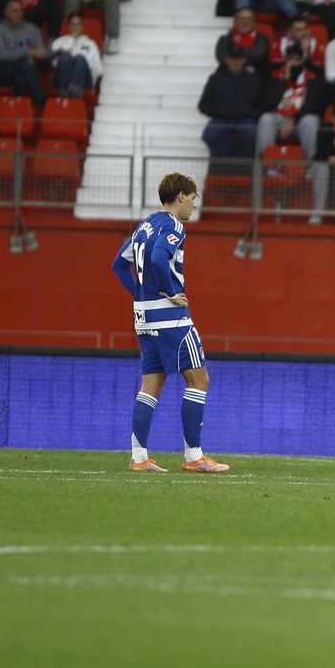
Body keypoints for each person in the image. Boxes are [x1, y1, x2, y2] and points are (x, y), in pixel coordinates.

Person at [108, 172, 229, 474]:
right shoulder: (173, 225)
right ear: (181, 197)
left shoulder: (145, 225)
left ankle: (138, 458)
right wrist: (174, 292)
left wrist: (142, 293)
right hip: (169, 318)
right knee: (199, 380)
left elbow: (119, 265)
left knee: (151, 384)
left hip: (143, 317)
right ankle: (194, 457)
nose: (193, 205)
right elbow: (161, 258)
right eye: (192, 198)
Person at [199, 49, 262, 159]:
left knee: (256, 137)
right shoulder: (216, 78)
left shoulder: (254, 79)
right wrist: (218, 113)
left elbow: (262, 102)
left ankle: (247, 165)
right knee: (207, 136)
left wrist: (252, 113)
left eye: (239, 59)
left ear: (244, 60)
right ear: (227, 60)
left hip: (245, 119)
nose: (236, 62)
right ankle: (226, 154)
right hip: (221, 119)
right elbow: (203, 105)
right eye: (233, 59)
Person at [48, 11, 102, 97]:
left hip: (84, 79)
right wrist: (71, 39)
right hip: (62, 79)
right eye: (73, 24)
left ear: (82, 25)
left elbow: (99, 70)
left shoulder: (90, 43)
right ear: (68, 25)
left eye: (78, 24)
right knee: (65, 56)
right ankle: (66, 91)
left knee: (79, 58)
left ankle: (74, 90)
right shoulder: (58, 42)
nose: (75, 28)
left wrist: (81, 66)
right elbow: (54, 63)